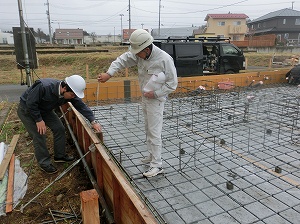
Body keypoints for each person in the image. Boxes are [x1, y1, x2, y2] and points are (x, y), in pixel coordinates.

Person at [98, 29, 178, 178]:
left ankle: (157, 164)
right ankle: (151, 156)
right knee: (148, 129)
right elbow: (123, 60)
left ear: (147, 49)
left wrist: (155, 94)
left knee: (154, 132)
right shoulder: (140, 54)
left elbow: (172, 84)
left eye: (138, 53)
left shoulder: (164, 59)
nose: (135, 56)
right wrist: (109, 73)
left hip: (156, 100)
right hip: (145, 97)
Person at [17, 74, 102, 174]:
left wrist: (93, 121)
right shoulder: (44, 87)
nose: (73, 97)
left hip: (45, 109)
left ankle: (60, 156)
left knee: (59, 128)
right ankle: (45, 163)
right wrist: (38, 120)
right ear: (64, 88)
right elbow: (31, 103)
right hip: (27, 110)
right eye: (72, 94)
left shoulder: (69, 93)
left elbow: (81, 105)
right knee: (39, 134)